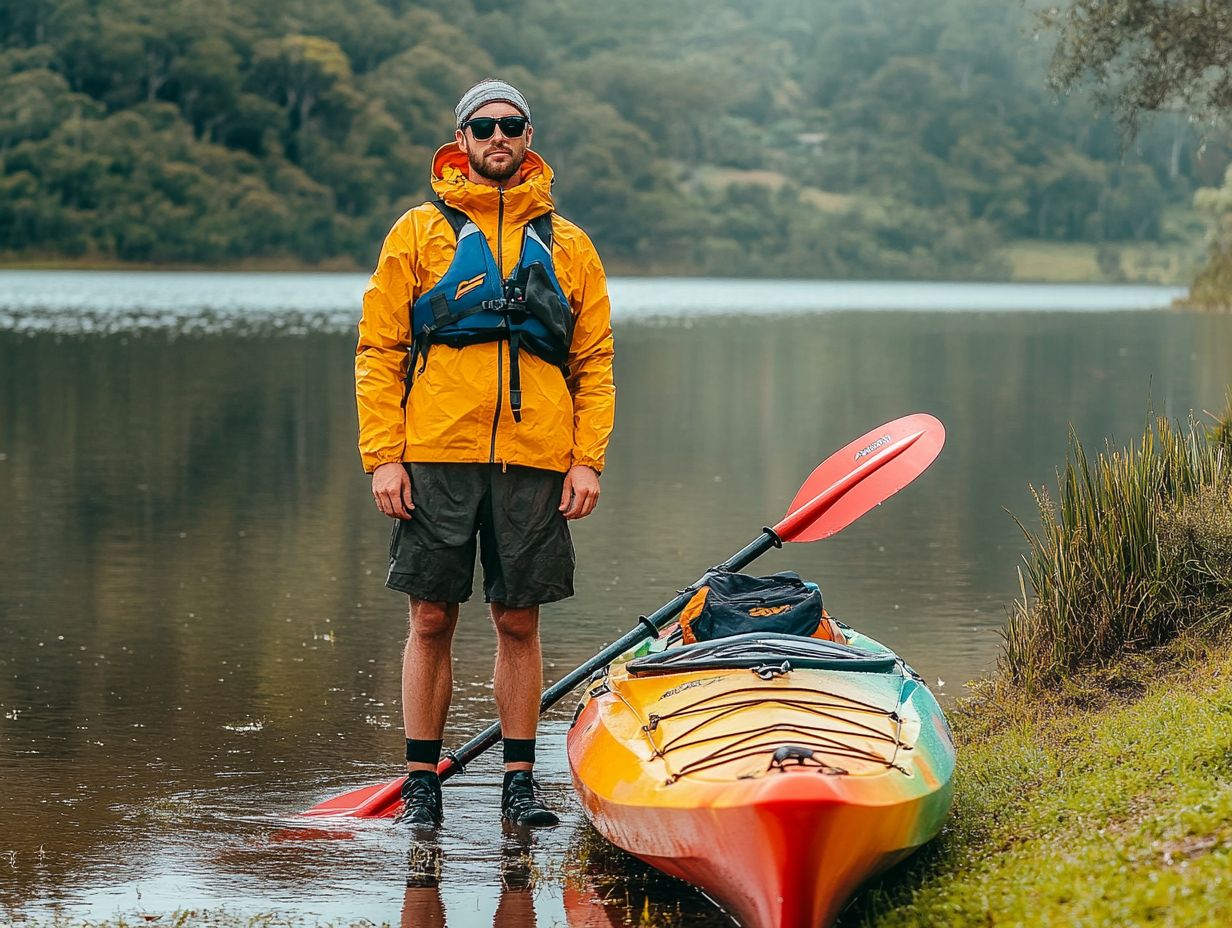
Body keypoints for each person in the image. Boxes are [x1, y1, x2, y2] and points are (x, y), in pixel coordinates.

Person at [355, 78, 616, 828]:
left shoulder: (569, 245)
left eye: (512, 125)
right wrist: (384, 456)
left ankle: (518, 783)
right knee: (431, 616)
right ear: (459, 141)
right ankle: (421, 782)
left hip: (536, 456)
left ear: (528, 139)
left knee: (518, 621)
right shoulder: (417, 232)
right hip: (434, 452)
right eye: (483, 126)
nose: (497, 137)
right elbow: (380, 351)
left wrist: (586, 458)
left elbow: (592, 361)